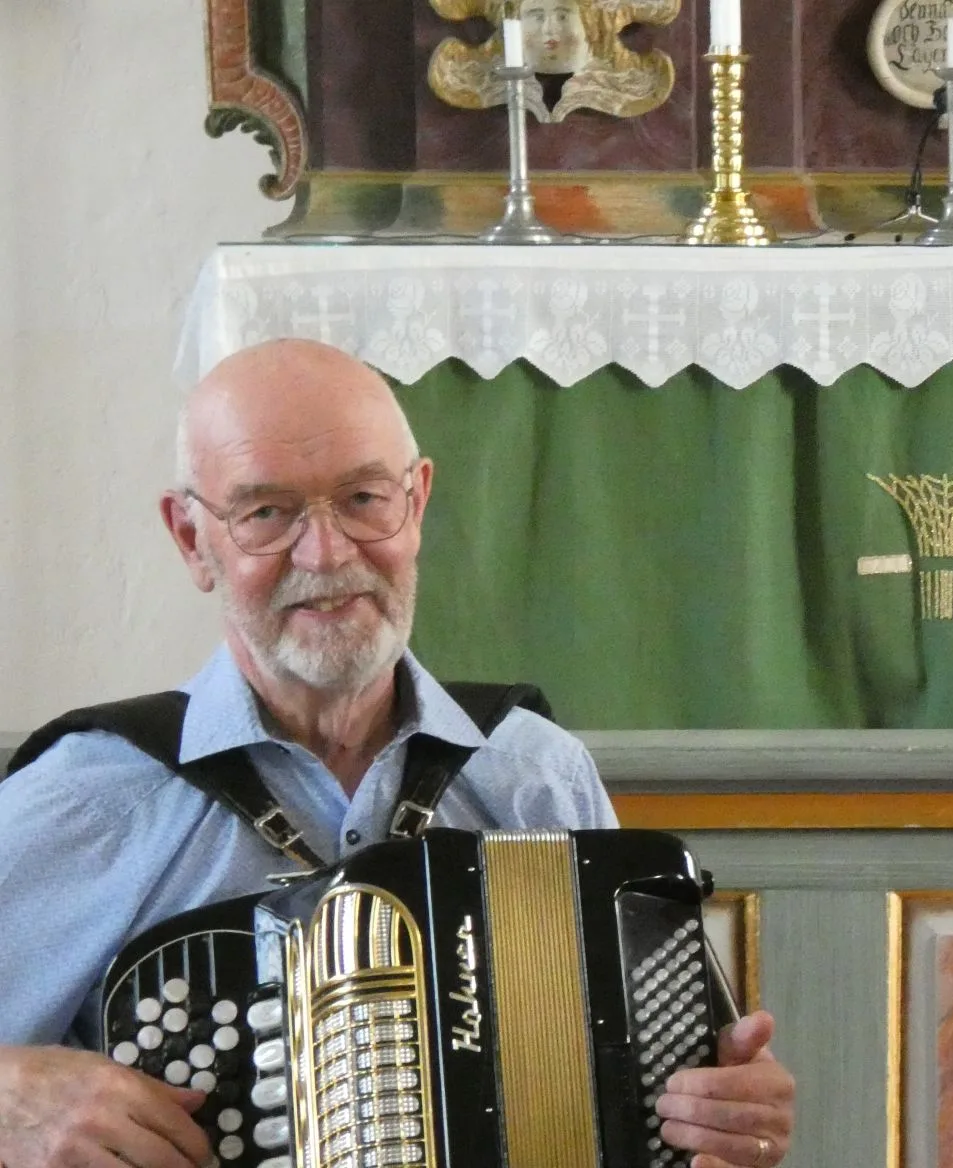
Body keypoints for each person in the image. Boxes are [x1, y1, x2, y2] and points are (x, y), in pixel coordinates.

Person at [0, 339, 795, 1168]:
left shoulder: (533, 776)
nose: (327, 554)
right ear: (192, 539)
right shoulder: (96, 797)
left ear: (415, 503)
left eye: (362, 497)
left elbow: (664, 1100)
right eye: (266, 513)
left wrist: (729, 1114)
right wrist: (10, 1101)